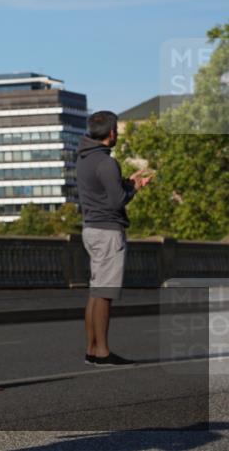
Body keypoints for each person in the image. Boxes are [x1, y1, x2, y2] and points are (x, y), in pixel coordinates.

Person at [76, 110, 152, 366]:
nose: (117, 134)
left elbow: (103, 189)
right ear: (111, 133)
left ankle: (91, 349)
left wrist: (127, 183)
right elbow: (117, 200)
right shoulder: (107, 162)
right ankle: (103, 352)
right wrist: (135, 188)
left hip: (90, 229)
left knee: (96, 292)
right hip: (108, 231)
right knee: (105, 293)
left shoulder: (85, 158)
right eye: (116, 131)